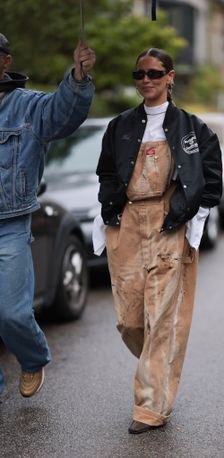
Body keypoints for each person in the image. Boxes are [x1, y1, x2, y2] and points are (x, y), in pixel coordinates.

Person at [95, 48, 222, 434]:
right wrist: (105, 217)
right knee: (130, 321)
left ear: (170, 76)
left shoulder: (193, 128)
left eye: (153, 73)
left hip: (170, 222)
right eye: (139, 74)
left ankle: (151, 406)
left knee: (163, 318)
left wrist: (191, 218)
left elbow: (211, 181)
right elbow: (105, 174)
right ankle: (159, 366)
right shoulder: (118, 126)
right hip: (128, 222)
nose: (145, 80)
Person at [0, 33, 96, 398]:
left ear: (6, 61)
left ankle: (32, 358)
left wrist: (78, 76)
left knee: (12, 313)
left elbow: (64, 114)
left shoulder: (29, 107)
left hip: (10, 224)